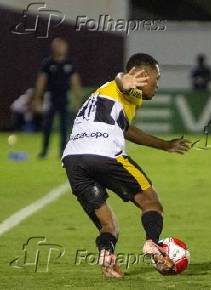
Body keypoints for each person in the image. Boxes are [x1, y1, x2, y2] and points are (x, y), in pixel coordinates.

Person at [62, 53, 191, 278]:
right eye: (156, 79)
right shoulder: (123, 86)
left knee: (108, 225)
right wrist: (124, 79)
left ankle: (107, 256)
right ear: (142, 75)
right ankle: (152, 243)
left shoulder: (109, 96)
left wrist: (165, 145)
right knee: (150, 200)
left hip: (73, 159)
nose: (157, 85)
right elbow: (122, 82)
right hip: (104, 153)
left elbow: (129, 130)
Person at [33, 37, 82, 159]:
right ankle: (44, 150)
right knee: (47, 125)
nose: (60, 48)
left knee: (64, 126)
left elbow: (75, 82)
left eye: (62, 46)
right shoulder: (48, 63)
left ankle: (63, 151)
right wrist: (38, 98)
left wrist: (78, 100)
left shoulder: (69, 63)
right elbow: (41, 81)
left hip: (64, 97)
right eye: (58, 46)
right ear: (53, 48)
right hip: (51, 97)